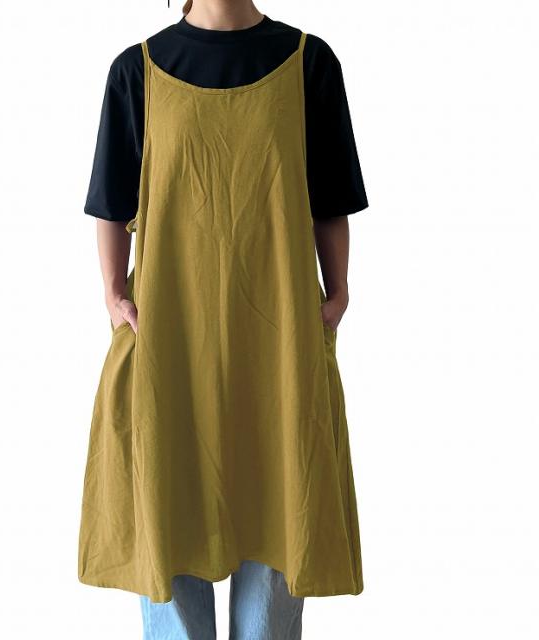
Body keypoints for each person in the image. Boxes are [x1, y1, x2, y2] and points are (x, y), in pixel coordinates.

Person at [77, 1, 368, 638]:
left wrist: (338, 293)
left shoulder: (308, 64)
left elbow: (331, 197)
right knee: (169, 506)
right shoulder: (137, 71)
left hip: (278, 338)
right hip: (171, 334)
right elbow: (112, 201)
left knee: (281, 503)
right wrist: (114, 296)